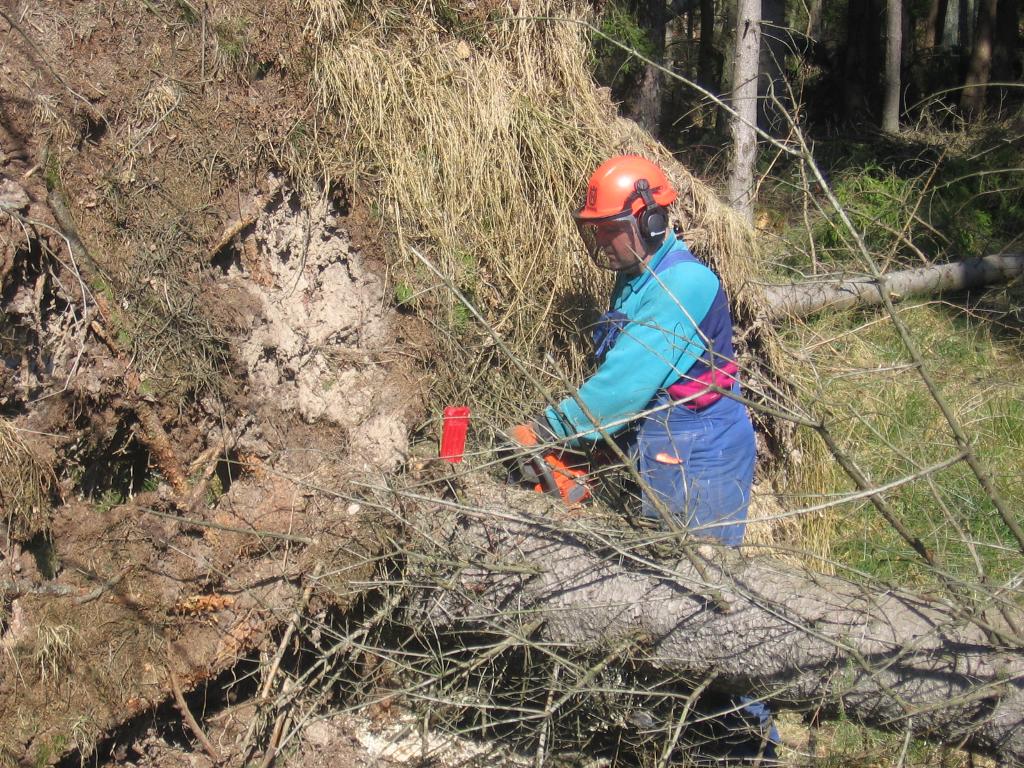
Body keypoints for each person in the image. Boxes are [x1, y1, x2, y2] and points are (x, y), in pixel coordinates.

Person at [511, 154, 778, 760]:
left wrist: (552, 431)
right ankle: (674, 738)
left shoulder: (681, 283)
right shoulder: (636, 276)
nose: (603, 243)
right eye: (596, 232)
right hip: (664, 445)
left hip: (697, 449)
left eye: (613, 230)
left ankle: (747, 749)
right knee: (659, 597)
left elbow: (625, 388)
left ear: (654, 221)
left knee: (700, 607)